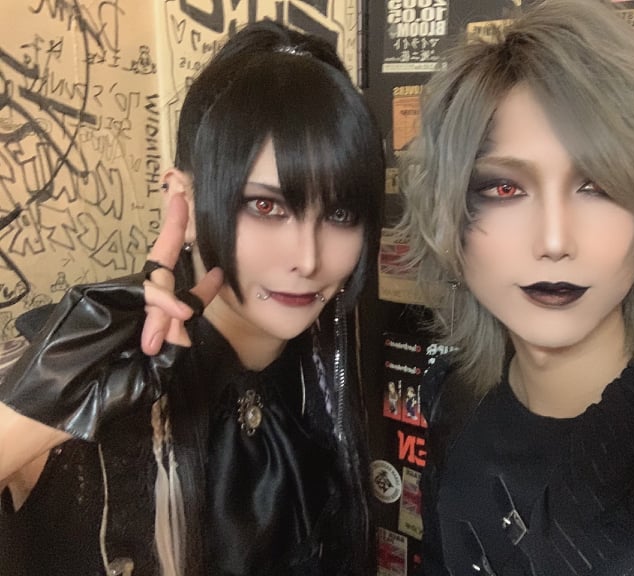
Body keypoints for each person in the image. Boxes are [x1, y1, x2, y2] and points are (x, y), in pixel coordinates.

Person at [396, 0, 634, 574]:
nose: (554, 240)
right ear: (450, 217)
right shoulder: (454, 400)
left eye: (597, 185)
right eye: (503, 189)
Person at [0, 20, 383, 576]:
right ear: (182, 198)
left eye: (341, 213)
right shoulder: (75, 367)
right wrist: (28, 417)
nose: (308, 259)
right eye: (266, 206)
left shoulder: (332, 367)